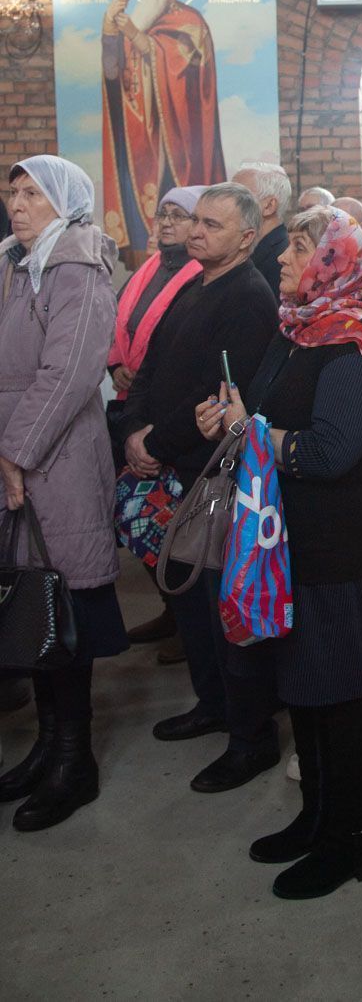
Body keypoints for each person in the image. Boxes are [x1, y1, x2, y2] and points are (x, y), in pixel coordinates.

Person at [195, 208, 362, 901]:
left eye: (299, 247)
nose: (284, 259)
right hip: (280, 544)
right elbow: (262, 417)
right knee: (304, 690)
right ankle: (316, 816)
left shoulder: (353, 344)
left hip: (327, 546)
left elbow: (330, 452)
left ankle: (351, 839)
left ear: (334, 261)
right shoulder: (297, 330)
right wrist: (226, 421)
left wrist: (251, 431)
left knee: (342, 695)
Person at [120, 182, 279, 792]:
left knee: (222, 606)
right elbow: (149, 368)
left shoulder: (249, 297)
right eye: (197, 221)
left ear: (246, 237)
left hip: (213, 474)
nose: (196, 232)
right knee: (190, 602)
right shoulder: (195, 283)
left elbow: (220, 396)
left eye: (212, 225)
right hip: (172, 464)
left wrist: (155, 443)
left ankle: (251, 737)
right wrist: (134, 429)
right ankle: (212, 705)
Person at [0, 155, 127, 831]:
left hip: (58, 460)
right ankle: (47, 745)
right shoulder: (15, 263)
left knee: (65, 609)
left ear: (65, 202)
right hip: (17, 455)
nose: (18, 204)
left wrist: (15, 453)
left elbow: (70, 373)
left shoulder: (77, 267)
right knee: (32, 608)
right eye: (13, 192)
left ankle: (75, 762)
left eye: (33, 194)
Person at [107, 183, 205, 655]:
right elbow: (117, 322)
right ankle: (173, 609)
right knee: (136, 518)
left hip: (167, 412)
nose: (166, 222)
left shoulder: (199, 273)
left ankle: (190, 620)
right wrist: (114, 365)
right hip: (132, 401)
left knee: (170, 523)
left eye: (178, 215)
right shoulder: (149, 268)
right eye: (162, 213)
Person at [101, 0, 226, 257]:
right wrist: (110, 29)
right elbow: (115, 73)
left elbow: (176, 67)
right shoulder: (143, 19)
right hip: (142, 131)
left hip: (178, 135)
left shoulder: (190, 21)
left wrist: (131, 32)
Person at [233, 161, 292, 300]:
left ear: (269, 206)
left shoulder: (283, 257)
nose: (227, 205)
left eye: (239, 197)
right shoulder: (250, 248)